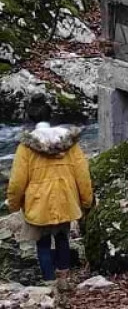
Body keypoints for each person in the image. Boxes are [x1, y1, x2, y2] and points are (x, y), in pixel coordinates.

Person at [6, 94, 93, 295]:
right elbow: (82, 174)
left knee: (43, 244)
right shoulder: (70, 142)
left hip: (38, 203)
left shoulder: (25, 147)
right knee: (63, 239)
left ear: (31, 120)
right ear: (50, 117)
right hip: (65, 199)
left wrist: (13, 203)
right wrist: (87, 200)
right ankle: (64, 279)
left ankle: (49, 285)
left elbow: (17, 181)